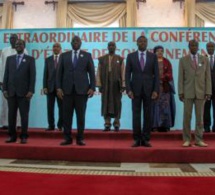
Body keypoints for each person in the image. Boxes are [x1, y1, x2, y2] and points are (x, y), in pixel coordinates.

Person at [56, 36, 95, 146]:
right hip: (66, 91)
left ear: (81, 43)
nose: (75, 43)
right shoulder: (64, 56)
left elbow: (92, 73)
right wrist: (58, 88)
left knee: (80, 116)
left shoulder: (87, 56)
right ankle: (67, 138)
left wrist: (92, 87)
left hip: (82, 91)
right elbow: (59, 73)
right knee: (66, 116)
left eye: (77, 41)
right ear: (71, 43)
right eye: (73, 41)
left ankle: (80, 138)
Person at [125, 35, 159, 147]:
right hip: (135, 91)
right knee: (136, 115)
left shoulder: (153, 57)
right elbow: (127, 75)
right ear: (137, 43)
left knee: (148, 115)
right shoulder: (130, 56)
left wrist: (155, 90)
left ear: (147, 43)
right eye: (140, 41)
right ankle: (136, 139)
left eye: (144, 41)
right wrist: (129, 90)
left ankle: (146, 139)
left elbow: (157, 75)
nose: (143, 43)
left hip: (149, 91)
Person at [178, 39, 211, 147]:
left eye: (195, 45)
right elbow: (180, 78)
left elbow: (208, 77)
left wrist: (208, 91)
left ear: (198, 47)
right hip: (187, 92)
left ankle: (199, 139)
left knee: (200, 117)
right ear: (188, 46)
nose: (193, 47)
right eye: (191, 45)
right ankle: (187, 139)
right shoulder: (183, 60)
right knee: (187, 116)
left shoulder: (204, 59)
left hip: (201, 92)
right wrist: (180, 92)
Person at [3, 39, 36, 144]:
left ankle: (24, 136)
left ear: (24, 46)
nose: (18, 46)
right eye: (16, 44)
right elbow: (6, 76)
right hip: (11, 92)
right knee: (11, 116)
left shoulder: (30, 59)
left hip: (24, 93)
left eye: (20, 44)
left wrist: (31, 90)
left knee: (24, 116)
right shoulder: (9, 59)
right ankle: (12, 136)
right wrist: (4, 89)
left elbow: (32, 77)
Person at [0, 34, 27, 129]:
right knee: (5, 103)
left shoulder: (24, 51)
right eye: (11, 38)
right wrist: (1, 80)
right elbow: (2, 65)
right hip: (6, 82)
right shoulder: (4, 51)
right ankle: (5, 123)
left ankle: (18, 124)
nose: (12, 40)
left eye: (14, 38)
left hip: (20, 83)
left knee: (19, 105)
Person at [96, 42, 125, 132]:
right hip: (105, 86)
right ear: (107, 47)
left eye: (113, 45)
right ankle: (107, 124)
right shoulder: (102, 59)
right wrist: (99, 84)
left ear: (115, 47)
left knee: (117, 103)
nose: (111, 47)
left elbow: (123, 72)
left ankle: (116, 123)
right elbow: (98, 72)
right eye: (110, 45)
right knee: (105, 103)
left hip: (116, 86)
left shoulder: (120, 59)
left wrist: (123, 84)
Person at [152, 46, 176, 132]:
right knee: (155, 107)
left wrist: (163, 77)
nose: (160, 53)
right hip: (154, 88)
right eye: (158, 51)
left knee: (165, 107)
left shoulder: (167, 62)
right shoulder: (151, 61)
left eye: (161, 51)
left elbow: (170, 74)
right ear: (154, 52)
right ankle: (154, 125)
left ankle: (165, 125)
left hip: (165, 88)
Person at [43, 43, 63, 131]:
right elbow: (45, 74)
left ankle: (60, 125)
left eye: (57, 47)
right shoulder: (48, 59)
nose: (55, 48)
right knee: (49, 108)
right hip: (50, 87)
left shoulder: (64, 59)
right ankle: (51, 125)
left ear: (60, 49)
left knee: (62, 107)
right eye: (54, 47)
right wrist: (44, 86)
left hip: (61, 88)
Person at [203, 42, 215, 132]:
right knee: (206, 109)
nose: (210, 48)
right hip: (206, 88)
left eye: (212, 46)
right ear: (206, 48)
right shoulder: (202, 59)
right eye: (208, 47)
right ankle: (206, 127)